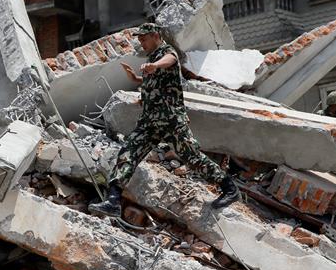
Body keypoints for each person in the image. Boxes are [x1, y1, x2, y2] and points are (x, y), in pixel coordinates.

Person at [88, 23, 240, 217]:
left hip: (170, 121)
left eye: (143, 38)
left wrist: (155, 65)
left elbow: (170, 60)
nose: (141, 42)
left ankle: (229, 188)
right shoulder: (152, 59)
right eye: (139, 39)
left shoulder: (166, 53)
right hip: (149, 122)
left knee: (192, 157)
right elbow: (156, 82)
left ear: (155, 36)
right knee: (128, 153)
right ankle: (113, 200)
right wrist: (136, 79)